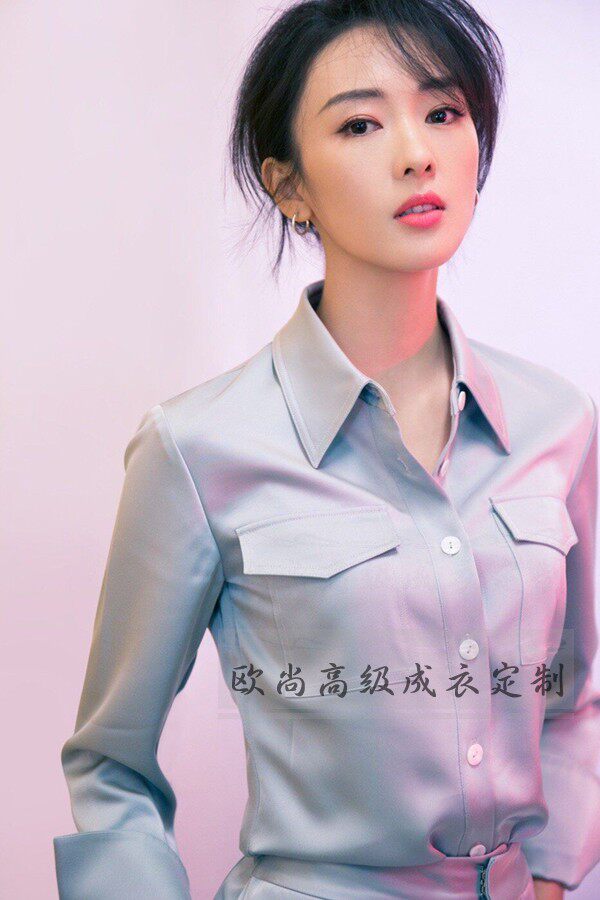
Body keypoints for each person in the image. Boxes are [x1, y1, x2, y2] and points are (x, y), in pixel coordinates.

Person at [53, 1, 600, 898]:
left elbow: (571, 694)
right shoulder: (197, 449)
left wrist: (546, 876)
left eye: (443, 112)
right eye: (359, 124)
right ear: (288, 186)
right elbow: (110, 766)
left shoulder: (557, 422)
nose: (416, 153)